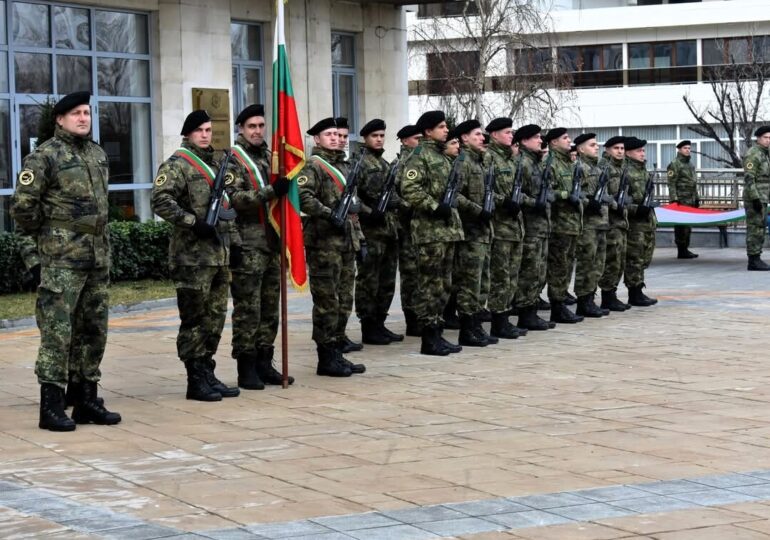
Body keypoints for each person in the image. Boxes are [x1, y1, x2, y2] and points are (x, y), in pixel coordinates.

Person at [11, 91, 121, 431]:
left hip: (95, 259)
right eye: (76, 113)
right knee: (58, 335)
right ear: (60, 119)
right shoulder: (44, 157)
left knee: (94, 331)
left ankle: (86, 399)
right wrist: (38, 255)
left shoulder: (97, 154)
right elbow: (22, 210)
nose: (84, 118)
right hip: (61, 261)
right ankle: (52, 406)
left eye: (87, 112)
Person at [151, 110, 241, 401]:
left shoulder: (214, 164)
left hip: (218, 255)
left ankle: (207, 371)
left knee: (214, 317)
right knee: (194, 319)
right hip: (192, 259)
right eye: (200, 130)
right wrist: (193, 222)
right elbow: (160, 201)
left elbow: (227, 209)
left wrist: (235, 244)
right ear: (187, 134)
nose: (206, 135)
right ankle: (194, 380)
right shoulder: (178, 165)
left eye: (208, 129)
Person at [226, 104, 293, 390]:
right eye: (251, 126)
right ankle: (246, 367)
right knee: (248, 309)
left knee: (270, 308)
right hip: (248, 244)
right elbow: (235, 199)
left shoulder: (271, 157)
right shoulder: (232, 159)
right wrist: (270, 192)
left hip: (272, 244)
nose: (257, 131)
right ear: (241, 128)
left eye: (261, 126)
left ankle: (266, 363)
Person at [297, 117, 366, 376]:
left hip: (346, 242)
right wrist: (329, 213)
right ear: (317, 139)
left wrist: (360, 238)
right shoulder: (313, 167)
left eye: (338, 135)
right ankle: (326, 357)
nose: (336, 139)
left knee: (344, 300)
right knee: (327, 302)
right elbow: (303, 197)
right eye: (329, 135)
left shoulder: (345, 167)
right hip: (324, 244)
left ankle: (337, 351)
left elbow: (353, 208)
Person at [401, 111, 465, 356]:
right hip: (430, 231)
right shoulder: (419, 156)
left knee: (444, 285)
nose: (446, 130)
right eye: (441, 127)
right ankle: (429, 338)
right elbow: (409, 188)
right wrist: (434, 206)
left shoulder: (443, 156)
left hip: (447, 230)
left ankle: (437, 332)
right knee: (430, 285)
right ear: (428, 131)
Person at [354, 118, 404, 345]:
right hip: (371, 231)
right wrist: (368, 211)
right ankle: (368, 326)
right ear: (365, 138)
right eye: (375, 136)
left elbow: (392, 194)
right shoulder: (359, 163)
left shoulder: (384, 164)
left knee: (385, 282)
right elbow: (352, 197)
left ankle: (380, 323)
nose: (379, 139)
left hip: (388, 231)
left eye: (382, 136)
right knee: (369, 281)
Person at [453, 119, 496, 347]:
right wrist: (477, 210)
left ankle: (477, 326)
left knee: (482, 282)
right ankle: (467, 330)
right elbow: (455, 195)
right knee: (470, 283)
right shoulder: (463, 162)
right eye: (477, 134)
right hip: (470, 232)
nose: (482, 138)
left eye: (482, 135)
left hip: (483, 231)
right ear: (464, 138)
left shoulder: (481, 162)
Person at [485, 117, 526, 339]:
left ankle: (505, 319)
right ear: (494, 135)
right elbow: (486, 189)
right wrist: (504, 202)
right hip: (500, 227)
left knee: (511, 276)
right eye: (507, 132)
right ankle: (497, 321)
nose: (511, 136)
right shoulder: (489, 157)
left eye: (511, 132)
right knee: (500, 277)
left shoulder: (510, 159)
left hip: (514, 227)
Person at [513, 125, 555, 331]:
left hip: (541, 226)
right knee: (529, 272)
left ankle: (531, 311)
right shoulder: (522, 163)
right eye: (536, 138)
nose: (541, 141)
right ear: (524, 141)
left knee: (538, 271)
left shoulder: (536, 163)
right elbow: (516, 194)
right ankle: (525, 314)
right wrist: (532, 202)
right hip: (529, 227)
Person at [544, 127, 583, 324]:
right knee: (558, 267)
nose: (569, 141)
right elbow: (548, 192)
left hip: (572, 224)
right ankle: (557, 306)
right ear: (553, 142)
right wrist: (567, 196)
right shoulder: (550, 163)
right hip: (559, 225)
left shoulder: (568, 163)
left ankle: (561, 301)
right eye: (565, 138)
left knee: (567, 266)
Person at [573, 133, 609, 317]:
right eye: (592, 145)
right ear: (580, 148)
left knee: (598, 264)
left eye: (597, 145)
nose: (597, 148)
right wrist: (589, 203)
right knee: (587, 264)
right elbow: (577, 194)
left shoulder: (598, 168)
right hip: (587, 224)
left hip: (601, 223)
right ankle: (583, 301)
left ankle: (590, 298)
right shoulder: (578, 167)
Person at [623, 136, 658, 306]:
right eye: (639, 150)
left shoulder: (643, 171)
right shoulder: (626, 171)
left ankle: (638, 289)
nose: (642, 153)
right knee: (634, 259)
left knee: (644, 258)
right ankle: (634, 292)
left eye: (643, 150)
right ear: (628, 153)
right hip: (635, 224)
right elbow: (623, 199)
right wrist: (637, 209)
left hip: (647, 222)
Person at [598, 136, 631, 312]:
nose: (620, 151)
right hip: (609, 222)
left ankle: (613, 294)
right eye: (616, 148)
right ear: (608, 150)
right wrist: (615, 205)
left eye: (622, 148)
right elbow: (602, 194)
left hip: (621, 221)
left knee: (619, 261)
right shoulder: (604, 168)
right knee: (611, 260)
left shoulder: (623, 167)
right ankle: (607, 296)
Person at [395, 125, 421, 336]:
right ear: (404, 141)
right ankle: (412, 318)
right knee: (411, 275)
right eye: (416, 138)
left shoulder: (418, 161)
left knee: (421, 275)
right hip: (407, 227)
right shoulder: (400, 164)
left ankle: (420, 316)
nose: (419, 142)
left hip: (419, 228)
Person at [743, 126, 770, 271]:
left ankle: (757, 257)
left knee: (760, 228)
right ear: (758, 138)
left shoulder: (765, 154)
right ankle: (753, 260)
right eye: (766, 138)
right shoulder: (754, 154)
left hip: (763, 196)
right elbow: (749, 178)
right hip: (755, 197)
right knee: (755, 228)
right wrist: (755, 198)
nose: (768, 141)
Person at [667, 140, 699, 259]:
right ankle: (681, 249)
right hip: (680, 200)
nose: (687, 150)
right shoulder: (675, 164)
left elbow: (693, 183)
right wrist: (674, 200)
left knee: (688, 225)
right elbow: (671, 183)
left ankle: (685, 248)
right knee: (681, 226)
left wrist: (696, 197)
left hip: (690, 199)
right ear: (679, 150)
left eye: (689, 148)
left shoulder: (690, 164)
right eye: (685, 148)